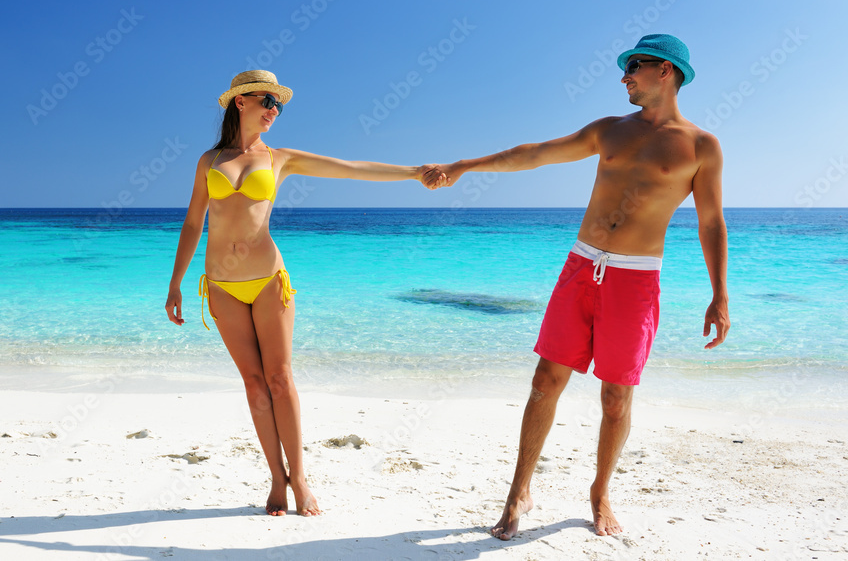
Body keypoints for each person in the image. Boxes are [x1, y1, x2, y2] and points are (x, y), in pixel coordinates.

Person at [423, 34, 730, 538]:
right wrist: (464, 166)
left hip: (635, 279)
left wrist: (719, 295)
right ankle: (519, 489)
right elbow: (538, 153)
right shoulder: (609, 130)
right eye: (625, 67)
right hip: (581, 266)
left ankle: (600, 491)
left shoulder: (701, 146)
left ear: (667, 71)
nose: (625, 74)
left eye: (635, 65)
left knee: (616, 396)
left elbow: (711, 222)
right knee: (545, 381)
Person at [165, 70, 444, 517]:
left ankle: (301, 479)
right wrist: (175, 283)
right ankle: (276, 478)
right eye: (267, 101)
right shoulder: (208, 161)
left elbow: (351, 169)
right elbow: (194, 222)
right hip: (220, 286)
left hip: (268, 280)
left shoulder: (280, 158)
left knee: (279, 379)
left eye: (279, 105)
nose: (274, 110)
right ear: (241, 102)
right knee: (254, 385)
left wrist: (414, 173)